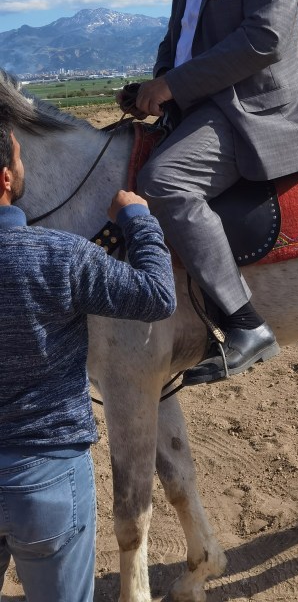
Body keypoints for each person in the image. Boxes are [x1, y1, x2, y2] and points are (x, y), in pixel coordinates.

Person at [123, 0, 298, 386]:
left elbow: (264, 39)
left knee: (164, 181)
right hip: (200, 104)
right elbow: (176, 42)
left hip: (253, 108)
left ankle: (245, 323)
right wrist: (156, 88)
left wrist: (175, 85)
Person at [0, 123, 176, 602]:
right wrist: (137, 219)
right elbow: (158, 296)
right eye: (18, 156)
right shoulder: (61, 255)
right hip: (46, 479)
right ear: (5, 178)